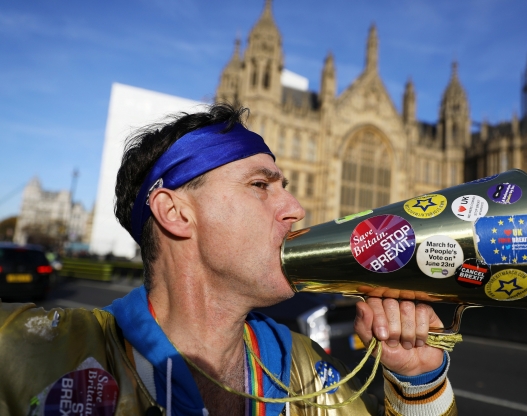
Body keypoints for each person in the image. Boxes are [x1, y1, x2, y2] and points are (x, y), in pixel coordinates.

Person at [0, 104, 457, 415]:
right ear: (175, 212)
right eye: (261, 185)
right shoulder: (33, 353)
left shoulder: (306, 368)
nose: (297, 208)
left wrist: (418, 383)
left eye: (285, 185)